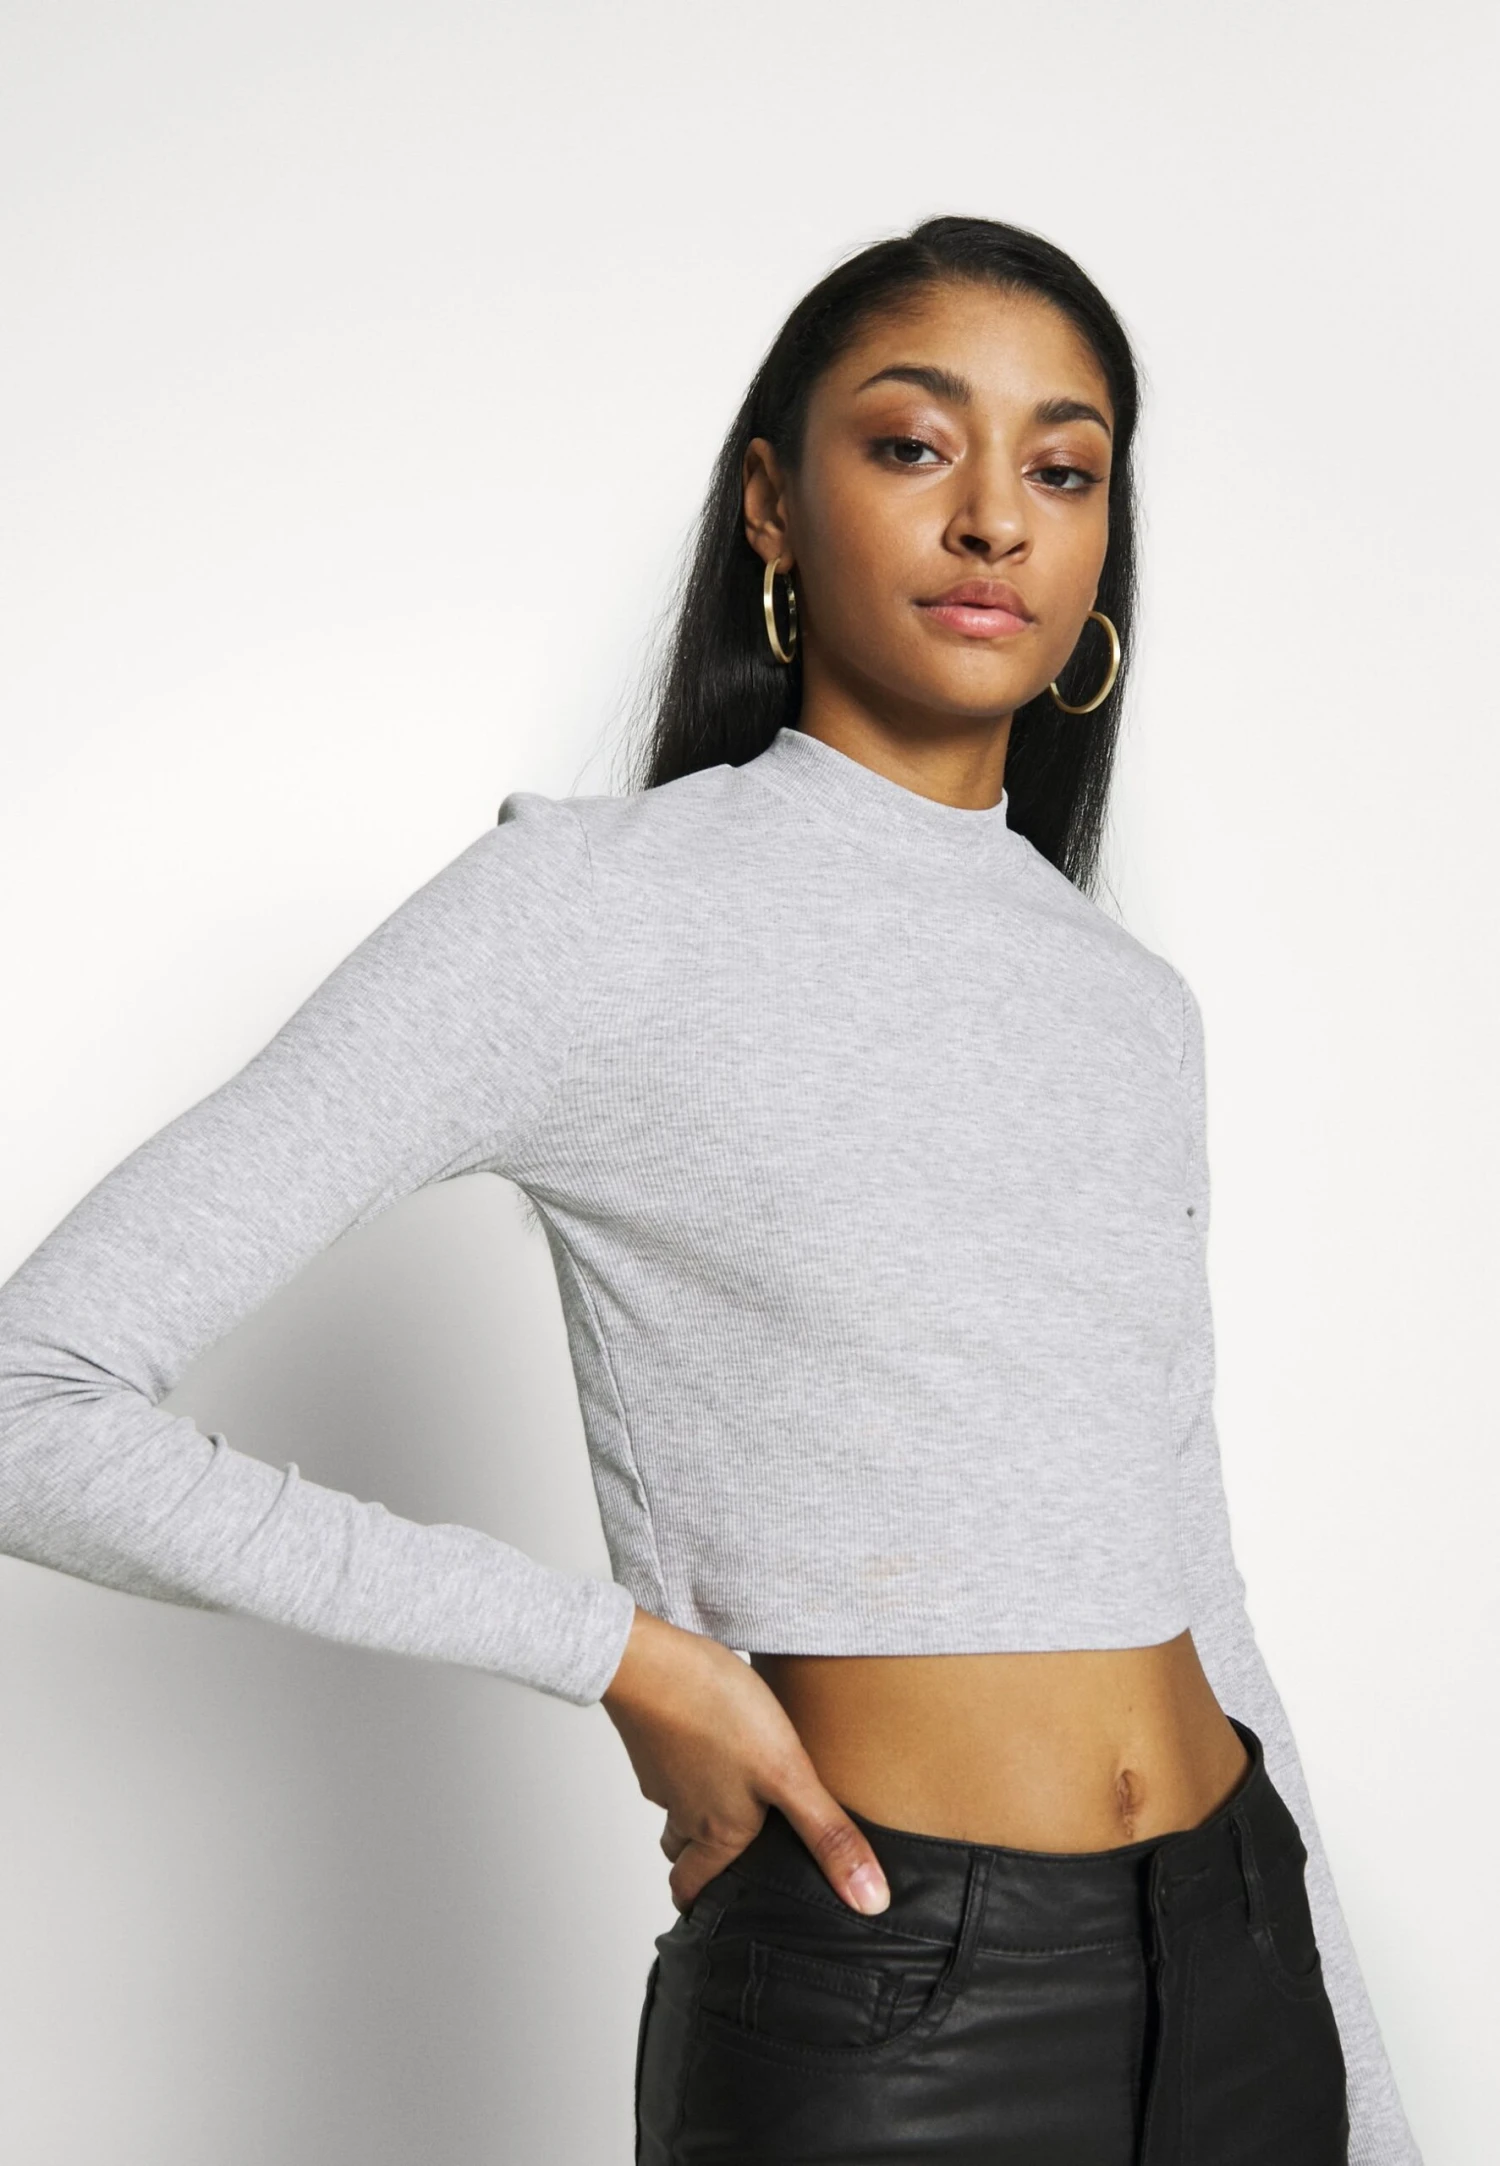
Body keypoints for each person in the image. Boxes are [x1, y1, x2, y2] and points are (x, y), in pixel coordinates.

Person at [0, 217, 1419, 2164]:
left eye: (1065, 468)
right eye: (913, 444)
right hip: (884, 2010)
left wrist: (1359, 2081)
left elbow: (1194, 1570)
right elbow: (34, 1405)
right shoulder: (587, 915)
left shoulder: (1124, 1004)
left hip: (1237, 1959)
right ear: (771, 503)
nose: (994, 517)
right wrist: (619, 1652)